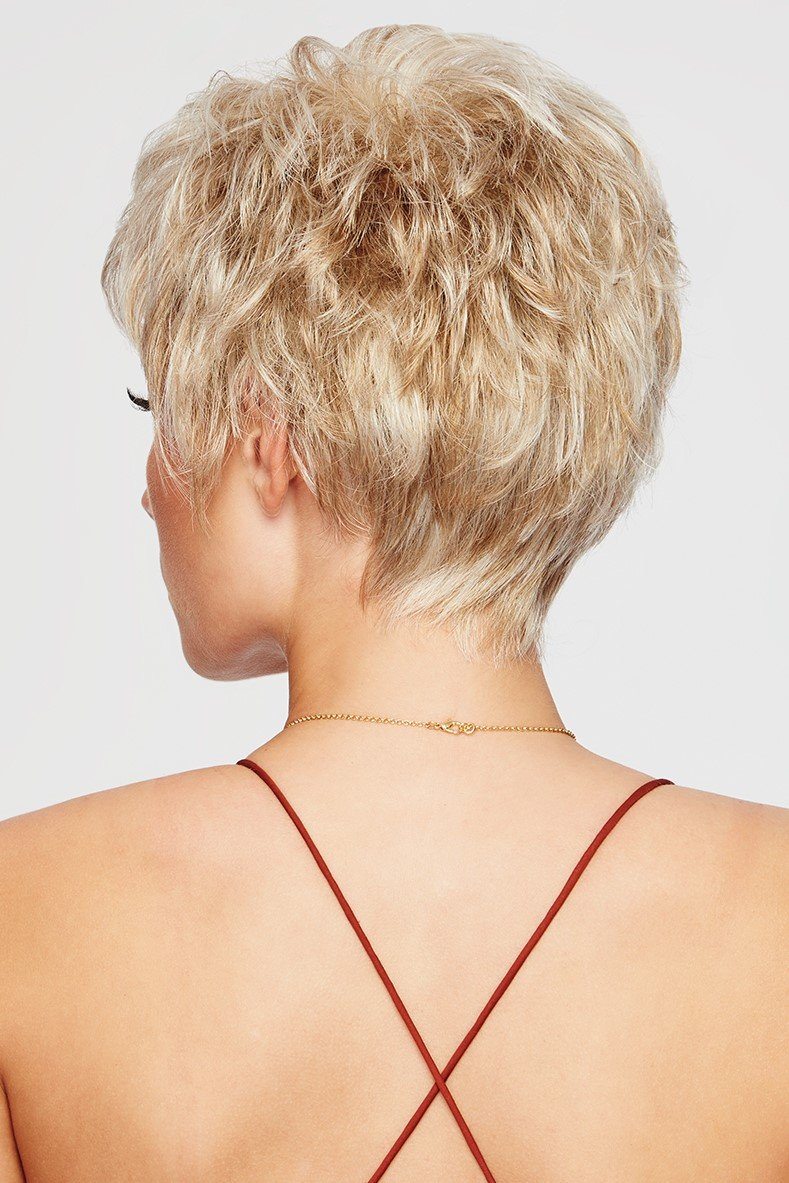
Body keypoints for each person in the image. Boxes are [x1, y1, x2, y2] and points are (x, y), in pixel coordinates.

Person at [0, 23, 786, 1183]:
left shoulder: (27, 916)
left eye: (156, 411)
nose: (149, 483)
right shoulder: (771, 922)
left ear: (266, 436)